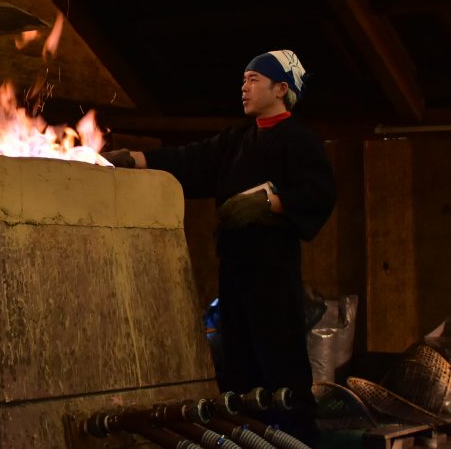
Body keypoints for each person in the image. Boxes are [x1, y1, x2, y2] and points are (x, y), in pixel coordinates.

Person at [103, 49, 335, 444]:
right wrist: (134, 159)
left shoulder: (300, 141)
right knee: (238, 367)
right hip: (235, 272)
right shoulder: (237, 140)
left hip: (272, 276)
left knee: (281, 365)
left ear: (282, 89)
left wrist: (268, 203)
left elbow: (319, 193)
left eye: (254, 80)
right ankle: (249, 437)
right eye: (243, 79)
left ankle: (297, 438)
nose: (244, 87)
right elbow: (192, 160)